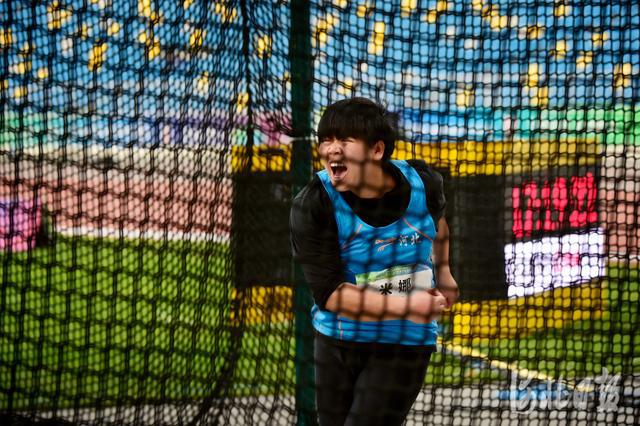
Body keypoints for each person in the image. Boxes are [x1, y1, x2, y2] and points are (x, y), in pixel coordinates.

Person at [290, 97, 459, 426]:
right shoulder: (314, 203)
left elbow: (437, 225)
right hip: (338, 339)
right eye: (326, 139)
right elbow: (332, 294)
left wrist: (444, 273)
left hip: (403, 340)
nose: (332, 149)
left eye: (345, 140)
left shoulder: (423, 184)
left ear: (377, 150)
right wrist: (408, 305)